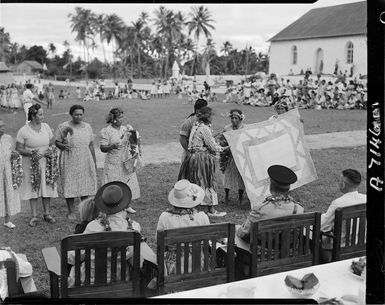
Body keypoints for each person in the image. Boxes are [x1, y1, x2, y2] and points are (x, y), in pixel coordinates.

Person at [67, 181, 143, 286]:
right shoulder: (134, 227)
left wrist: (68, 256)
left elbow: (76, 256)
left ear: (103, 204)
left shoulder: (93, 227)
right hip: (121, 280)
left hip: (90, 281)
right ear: (124, 205)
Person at [179, 106, 227, 217]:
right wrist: (224, 148)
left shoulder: (196, 126)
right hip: (202, 159)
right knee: (207, 181)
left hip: (192, 158)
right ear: (207, 117)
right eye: (211, 116)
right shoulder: (204, 128)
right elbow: (213, 146)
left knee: (195, 182)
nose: (212, 118)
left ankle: (192, 207)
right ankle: (211, 210)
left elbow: (200, 142)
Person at [156, 179, 210, 275]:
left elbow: (159, 242)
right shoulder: (202, 217)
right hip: (199, 264)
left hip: (173, 266)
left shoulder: (164, 217)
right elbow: (207, 240)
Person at [15, 104, 57, 227]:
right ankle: (34, 216)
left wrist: (50, 150)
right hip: (31, 164)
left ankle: (47, 214)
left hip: (46, 163)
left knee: (46, 187)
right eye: (40, 114)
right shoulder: (23, 130)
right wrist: (31, 153)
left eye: (42, 114)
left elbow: (52, 142)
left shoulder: (46, 127)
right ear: (33, 116)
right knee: (33, 188)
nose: (43, 117)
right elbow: (19, 149)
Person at [237, 165, 304, 242]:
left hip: (263, 253)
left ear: (271, 186)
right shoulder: (299, 209)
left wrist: (239, 229)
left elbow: (243, 233)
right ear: (288, 188)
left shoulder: (260, 209)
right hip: (291, 252)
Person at [55, 105, 97, 220]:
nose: (78, 116)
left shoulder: (87, 127)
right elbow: (57, 142)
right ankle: (71, 211)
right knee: (70, 183)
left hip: (85, 157)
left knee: (85, 184)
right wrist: (63, 145)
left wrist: (93, 161)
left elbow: (91, 145)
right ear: (71, 114)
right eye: (76, 114)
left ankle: (85, 210)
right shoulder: (64, 126)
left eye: (80, 114)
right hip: (69, 158)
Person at [99, 108, 140, 214]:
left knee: (127, 180)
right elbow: (103, 148)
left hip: (125, 159)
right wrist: (112, 146)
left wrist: (133, 134)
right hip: (113, 161)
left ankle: (127, 204)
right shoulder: (106, 131)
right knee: (114, 182)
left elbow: (133, 142)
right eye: (120, 117)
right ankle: (112, 204)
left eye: (123, 117)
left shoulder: (125, 129)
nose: (122, 119)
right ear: (114, 119)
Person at [320, 169, 366, 262]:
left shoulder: (338, 203)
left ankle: (322, 265)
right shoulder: (365, 199)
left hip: (341, 248)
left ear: (342, 184)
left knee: (313, 236)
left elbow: (322, 226)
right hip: (363, 246)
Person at [219, 109, 246, 205]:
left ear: (240, 118)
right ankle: (226, 196)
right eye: (232, 118)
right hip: (229, 156)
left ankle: (241, 198)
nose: (234, 120)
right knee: (227, 176)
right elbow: (222, 141)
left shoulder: (244, 128)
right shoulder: (227, 129)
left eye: (236, 118)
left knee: (241, 177)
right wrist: (225, 147)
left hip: (241, 156)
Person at [0, 120, 21, 229]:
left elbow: (12, 152)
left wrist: (14, 155)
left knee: (7, 192)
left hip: (7, 170)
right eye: (0, 127)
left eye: (3, 126)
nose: (2, 129)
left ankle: (7, 221)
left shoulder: (8, 138)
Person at [178, 98, 208, 169]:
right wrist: (188, 152)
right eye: (205, 109)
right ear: (198, 110)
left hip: (201, 154)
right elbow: (182, 139)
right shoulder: (188, 122)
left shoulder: (205, 121)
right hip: (190, 155)